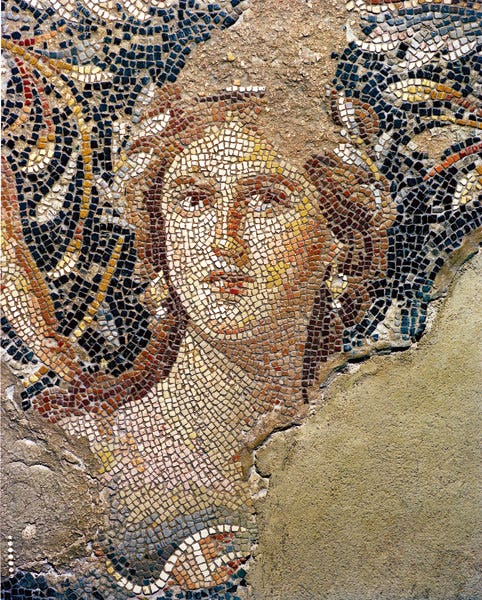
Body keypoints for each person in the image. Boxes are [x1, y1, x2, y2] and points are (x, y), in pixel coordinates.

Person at [6, 88, 395, 597]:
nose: (224, 240)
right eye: (194, 200)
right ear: (161, 235)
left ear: (335, 240)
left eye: (266, 199)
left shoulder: (371, 455)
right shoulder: (73, 453)